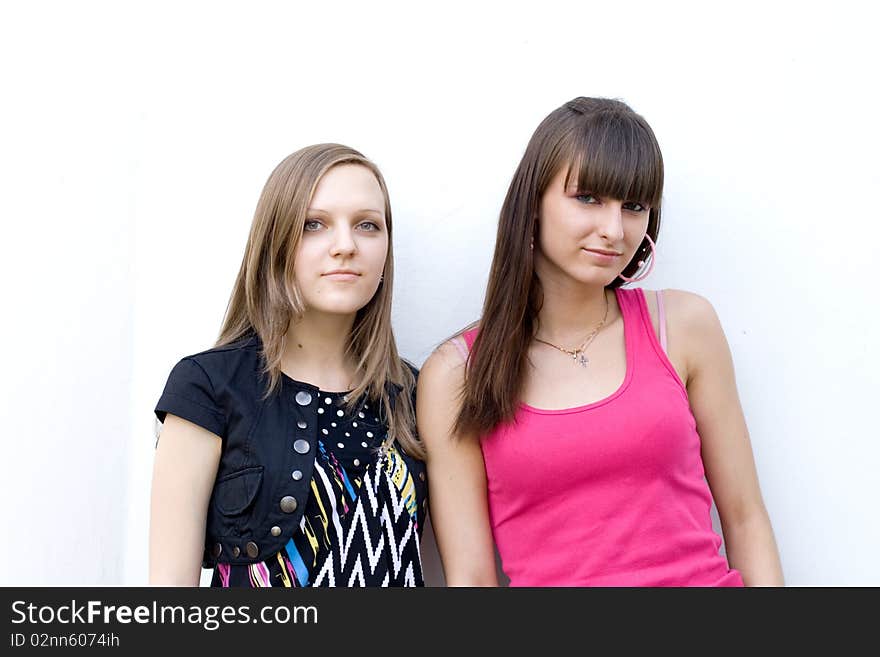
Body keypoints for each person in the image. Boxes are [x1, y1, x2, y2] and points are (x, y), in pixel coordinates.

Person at [417, 97, 784, 586]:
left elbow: (745, 517)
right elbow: (473, 581)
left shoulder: (684, 326)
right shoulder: (457, 373)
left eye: (633, 207)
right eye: (588, 198)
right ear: (533, 203)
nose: (613, 230)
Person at [150, 144, 428, 587]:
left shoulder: (418, 394)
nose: (345, 246)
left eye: (368, 225)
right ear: (276, 239)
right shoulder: (207, 387)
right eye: (314, 224)